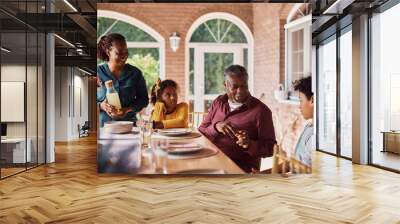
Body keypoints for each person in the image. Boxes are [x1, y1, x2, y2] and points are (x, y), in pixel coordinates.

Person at [198, 65, 276, 173]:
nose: (240, 91)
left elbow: (271, 148)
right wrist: (216, 126)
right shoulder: (218, 102)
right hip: (210, 161)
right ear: (225, 85)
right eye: (235, 87)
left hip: (238, 170)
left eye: (244, 86)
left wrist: (249, 144)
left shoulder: (261, 111)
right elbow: (201, 130)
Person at [97, 33, 149, 127]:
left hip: (129, 127)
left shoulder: (135, 73)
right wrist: (101, 106)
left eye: (126, 52)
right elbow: (87, 101)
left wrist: (127, 109)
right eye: (119, 52)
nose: (124, 56)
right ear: (108, 52)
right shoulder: (97, 73)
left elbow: (144, 100)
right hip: (104, 128)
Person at [292, 76, 314, 168]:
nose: (299, 106)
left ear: (312, 100)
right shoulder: (308, 126)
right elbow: (295, 164)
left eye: (301, 100)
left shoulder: (314, 137)